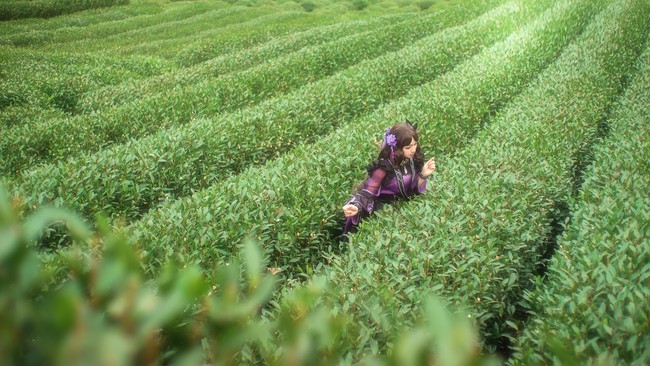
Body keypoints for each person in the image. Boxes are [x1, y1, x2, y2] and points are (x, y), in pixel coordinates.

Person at [341, 121, 436, 240]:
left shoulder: (412, 159)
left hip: (403, 207)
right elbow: (367, 193)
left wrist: (423, 174)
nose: (413, 149)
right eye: (408, 147)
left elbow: (412, 189)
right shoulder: (383, 168)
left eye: (415, 144)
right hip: (383, 211)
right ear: (396, 147)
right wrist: (356, 206)